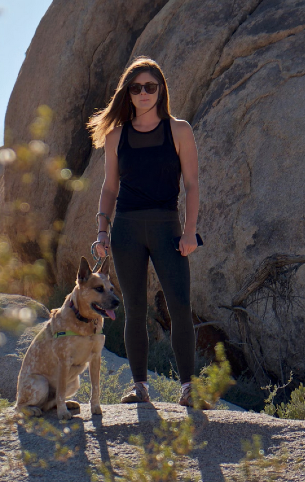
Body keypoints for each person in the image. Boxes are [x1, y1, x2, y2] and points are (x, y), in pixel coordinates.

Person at [87, 56, 205, 408]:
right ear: (128, 92)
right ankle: (140, 388)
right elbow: (109, 188)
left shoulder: (179, 129)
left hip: (167, 227)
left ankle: (189, 389)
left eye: (150, 87)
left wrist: (190, 232)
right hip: (126, 229)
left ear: (160, 90)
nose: (143, 93)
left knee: (180, 306)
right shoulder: (116, 136)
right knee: (134, 309)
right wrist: (102, 231)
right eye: (136, 87)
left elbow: (193, 185)